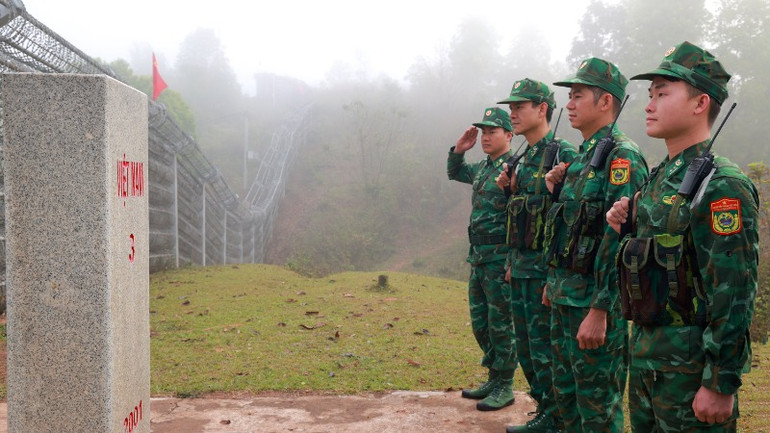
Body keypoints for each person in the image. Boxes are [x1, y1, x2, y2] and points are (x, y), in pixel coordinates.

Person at [606, 41, 758, 433]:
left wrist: (720, 382)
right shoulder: (662, 177)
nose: (649, 105)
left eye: (662, 93)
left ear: (699, 103)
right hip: (646, 362)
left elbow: (734, 289)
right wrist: (624, 224)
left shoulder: (721, 184)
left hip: (689, 374)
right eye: (649, 95)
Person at [543, 58, 649, 432]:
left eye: (577, 95)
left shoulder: (623, 157)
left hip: (592, 306)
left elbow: (621, 240)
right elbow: (569, 229)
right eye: (568, 96)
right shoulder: (583, 158)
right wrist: (551, 283)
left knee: (597, 410)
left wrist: (601, 309)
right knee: (567, 400)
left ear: (605, 102)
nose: (569, 104)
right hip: (564, 298)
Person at [493, 78, 577, 433]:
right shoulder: (521, 157)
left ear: (542, 109)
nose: (512, 113)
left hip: (546, 273)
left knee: (548, 352)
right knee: (527, 350)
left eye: (519, 107)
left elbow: (570, 218)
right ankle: (545, 410)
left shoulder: (563, 154)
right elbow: (519, 217)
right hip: (521, 269)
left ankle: (558, 418)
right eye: (510, 107)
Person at [448, 107, 518, 411]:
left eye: (493, 131)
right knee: (481, 323)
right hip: (478, 257)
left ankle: (505, 384)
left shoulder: (516, 169)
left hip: (500, 259)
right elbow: (455, 172)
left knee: (502, 324)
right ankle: (493, 376)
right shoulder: (484, 168)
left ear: (509, 135)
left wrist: (514, 260)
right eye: (484, 132)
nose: (486, 137)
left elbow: (523, 217)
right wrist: (458, 151)